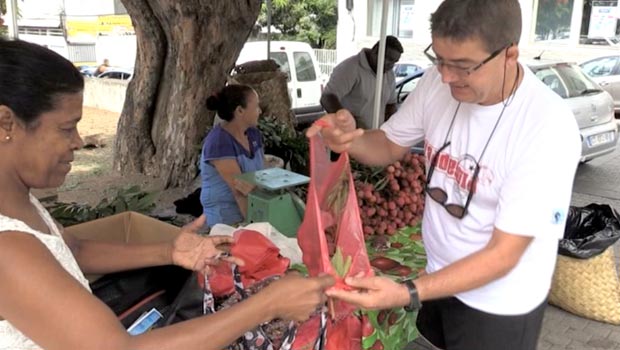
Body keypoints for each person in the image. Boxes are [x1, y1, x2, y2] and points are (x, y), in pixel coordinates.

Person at [0, 39, 334, 350]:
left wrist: (169, 251)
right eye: (65, 127)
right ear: (6, 123)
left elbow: (73, 249)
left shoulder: (19, 200)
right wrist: (266, 305)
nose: (77, 141)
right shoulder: (7, 248)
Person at [311, 1, 582, 349]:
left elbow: (503, 254)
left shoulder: (547, 127)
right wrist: (350, 139)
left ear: (509, 55)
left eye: (463, 66)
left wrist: (407, 291)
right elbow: (388, 146)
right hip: (438, 277)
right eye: (439, 58)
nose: (446, 76)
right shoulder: (436, 85)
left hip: (498, 303)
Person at [200, 84, 264, 228]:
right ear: (240, 111)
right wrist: (255, 228)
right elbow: (240, 192)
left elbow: (261, 175)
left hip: (252, 211)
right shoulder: (219, 143)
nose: (259, 111)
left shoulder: (253, 134)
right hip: (225, 221)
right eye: (256, 107)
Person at [320, 35, 403, 129]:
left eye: (394, 62)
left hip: (374, 136)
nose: (391, 65)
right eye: (389, 59)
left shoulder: (389, 74)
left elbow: (390, 105)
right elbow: (327, 98)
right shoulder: (350, 67)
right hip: (349, 135)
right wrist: (348, 122)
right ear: (376, 51)